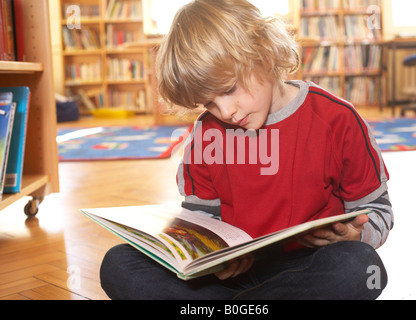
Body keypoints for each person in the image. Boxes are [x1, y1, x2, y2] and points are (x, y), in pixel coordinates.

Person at [100, 0, 393, 300]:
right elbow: (200, 218)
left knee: (362, 267)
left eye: (229, 89)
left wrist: (357, 234)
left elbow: (378, 210)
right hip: (233, 276)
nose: (226, 111)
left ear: (265, 54)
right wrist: (210, 257)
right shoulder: (206, 133)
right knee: (119, 263)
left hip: (308, 270)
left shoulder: (337, 118)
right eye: (208, 103)